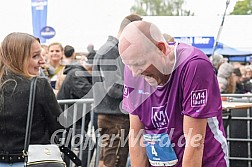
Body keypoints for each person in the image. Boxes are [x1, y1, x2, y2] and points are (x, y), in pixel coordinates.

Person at [118, 21, 228, 167]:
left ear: (161, 48)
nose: (134, 72)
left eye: (139, 63)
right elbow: (136, 137)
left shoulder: (194, 66)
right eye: (129, 65)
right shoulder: (133, 71)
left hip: (205, 161)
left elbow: (194, 143)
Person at [0, 32, 65, 166]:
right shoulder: (39, 85)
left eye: (41, 54)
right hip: (32, 161)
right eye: (35, 56)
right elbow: (58, 126)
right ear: (18, 58)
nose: (42, 60)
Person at [92, 13, 142, 167]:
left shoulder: (109, 48)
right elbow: (114, 88)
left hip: (112, 116)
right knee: (114, 162)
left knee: (107, 161)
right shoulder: (111, 50)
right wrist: (140, 92)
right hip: (115, 117)